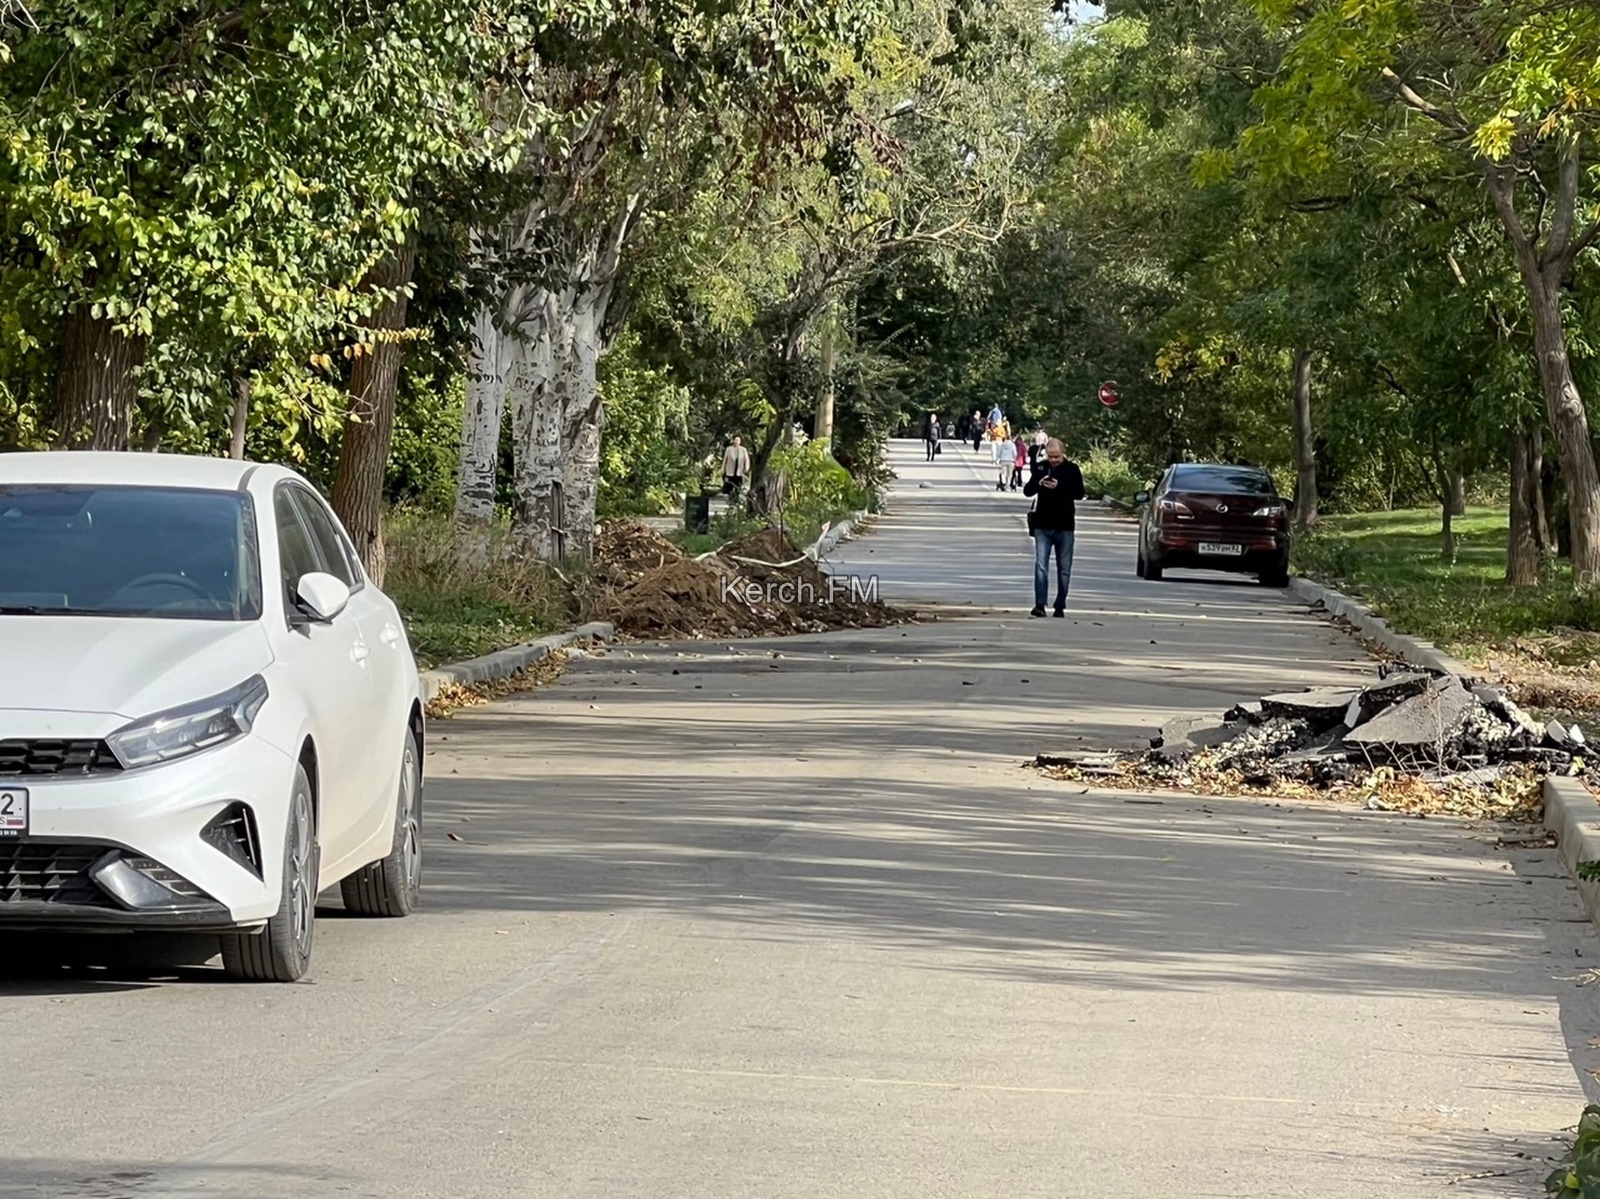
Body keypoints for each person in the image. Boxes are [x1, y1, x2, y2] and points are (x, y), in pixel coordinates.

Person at [1023, 438, 1086, 618]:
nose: (1054, 460)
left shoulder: (1072, 470)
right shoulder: (1042, 468)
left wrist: (1060, 486)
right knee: (1041, 566)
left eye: (1057, 457)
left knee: (1064, 567)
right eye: (1050, 457)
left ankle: (1060, 604)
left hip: (1065, 525)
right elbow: (1027, 491)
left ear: (1063, 454)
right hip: (1043, 525)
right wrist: (1039, 482)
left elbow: (1079, 493)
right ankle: (1040, 605)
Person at [988, 424, 1012, 491]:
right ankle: (994, 460)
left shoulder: (1001, 429)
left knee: (1004, 472)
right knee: (994, 451)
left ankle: (1005, 484)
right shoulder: (993, 428)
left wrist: (996, 434)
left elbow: (1002, 434)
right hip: (994, 440)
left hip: (999, 440)